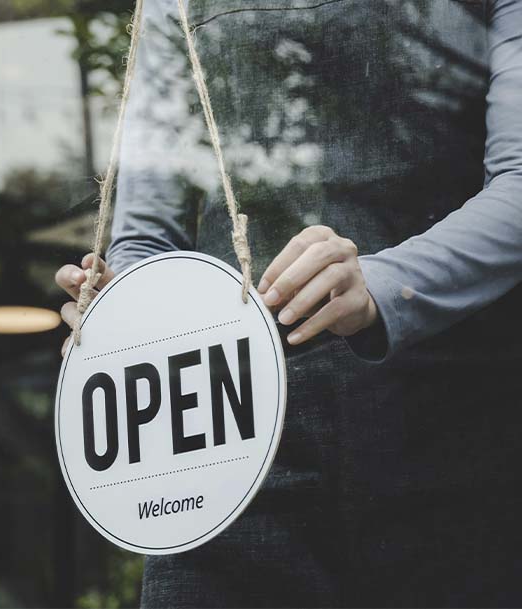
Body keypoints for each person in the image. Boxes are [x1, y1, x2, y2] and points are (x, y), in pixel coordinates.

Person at [55, 0, 522, 605]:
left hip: (444, 429)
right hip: (224, 446)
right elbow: (147, 236)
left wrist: (383, 284)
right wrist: (126, 307)